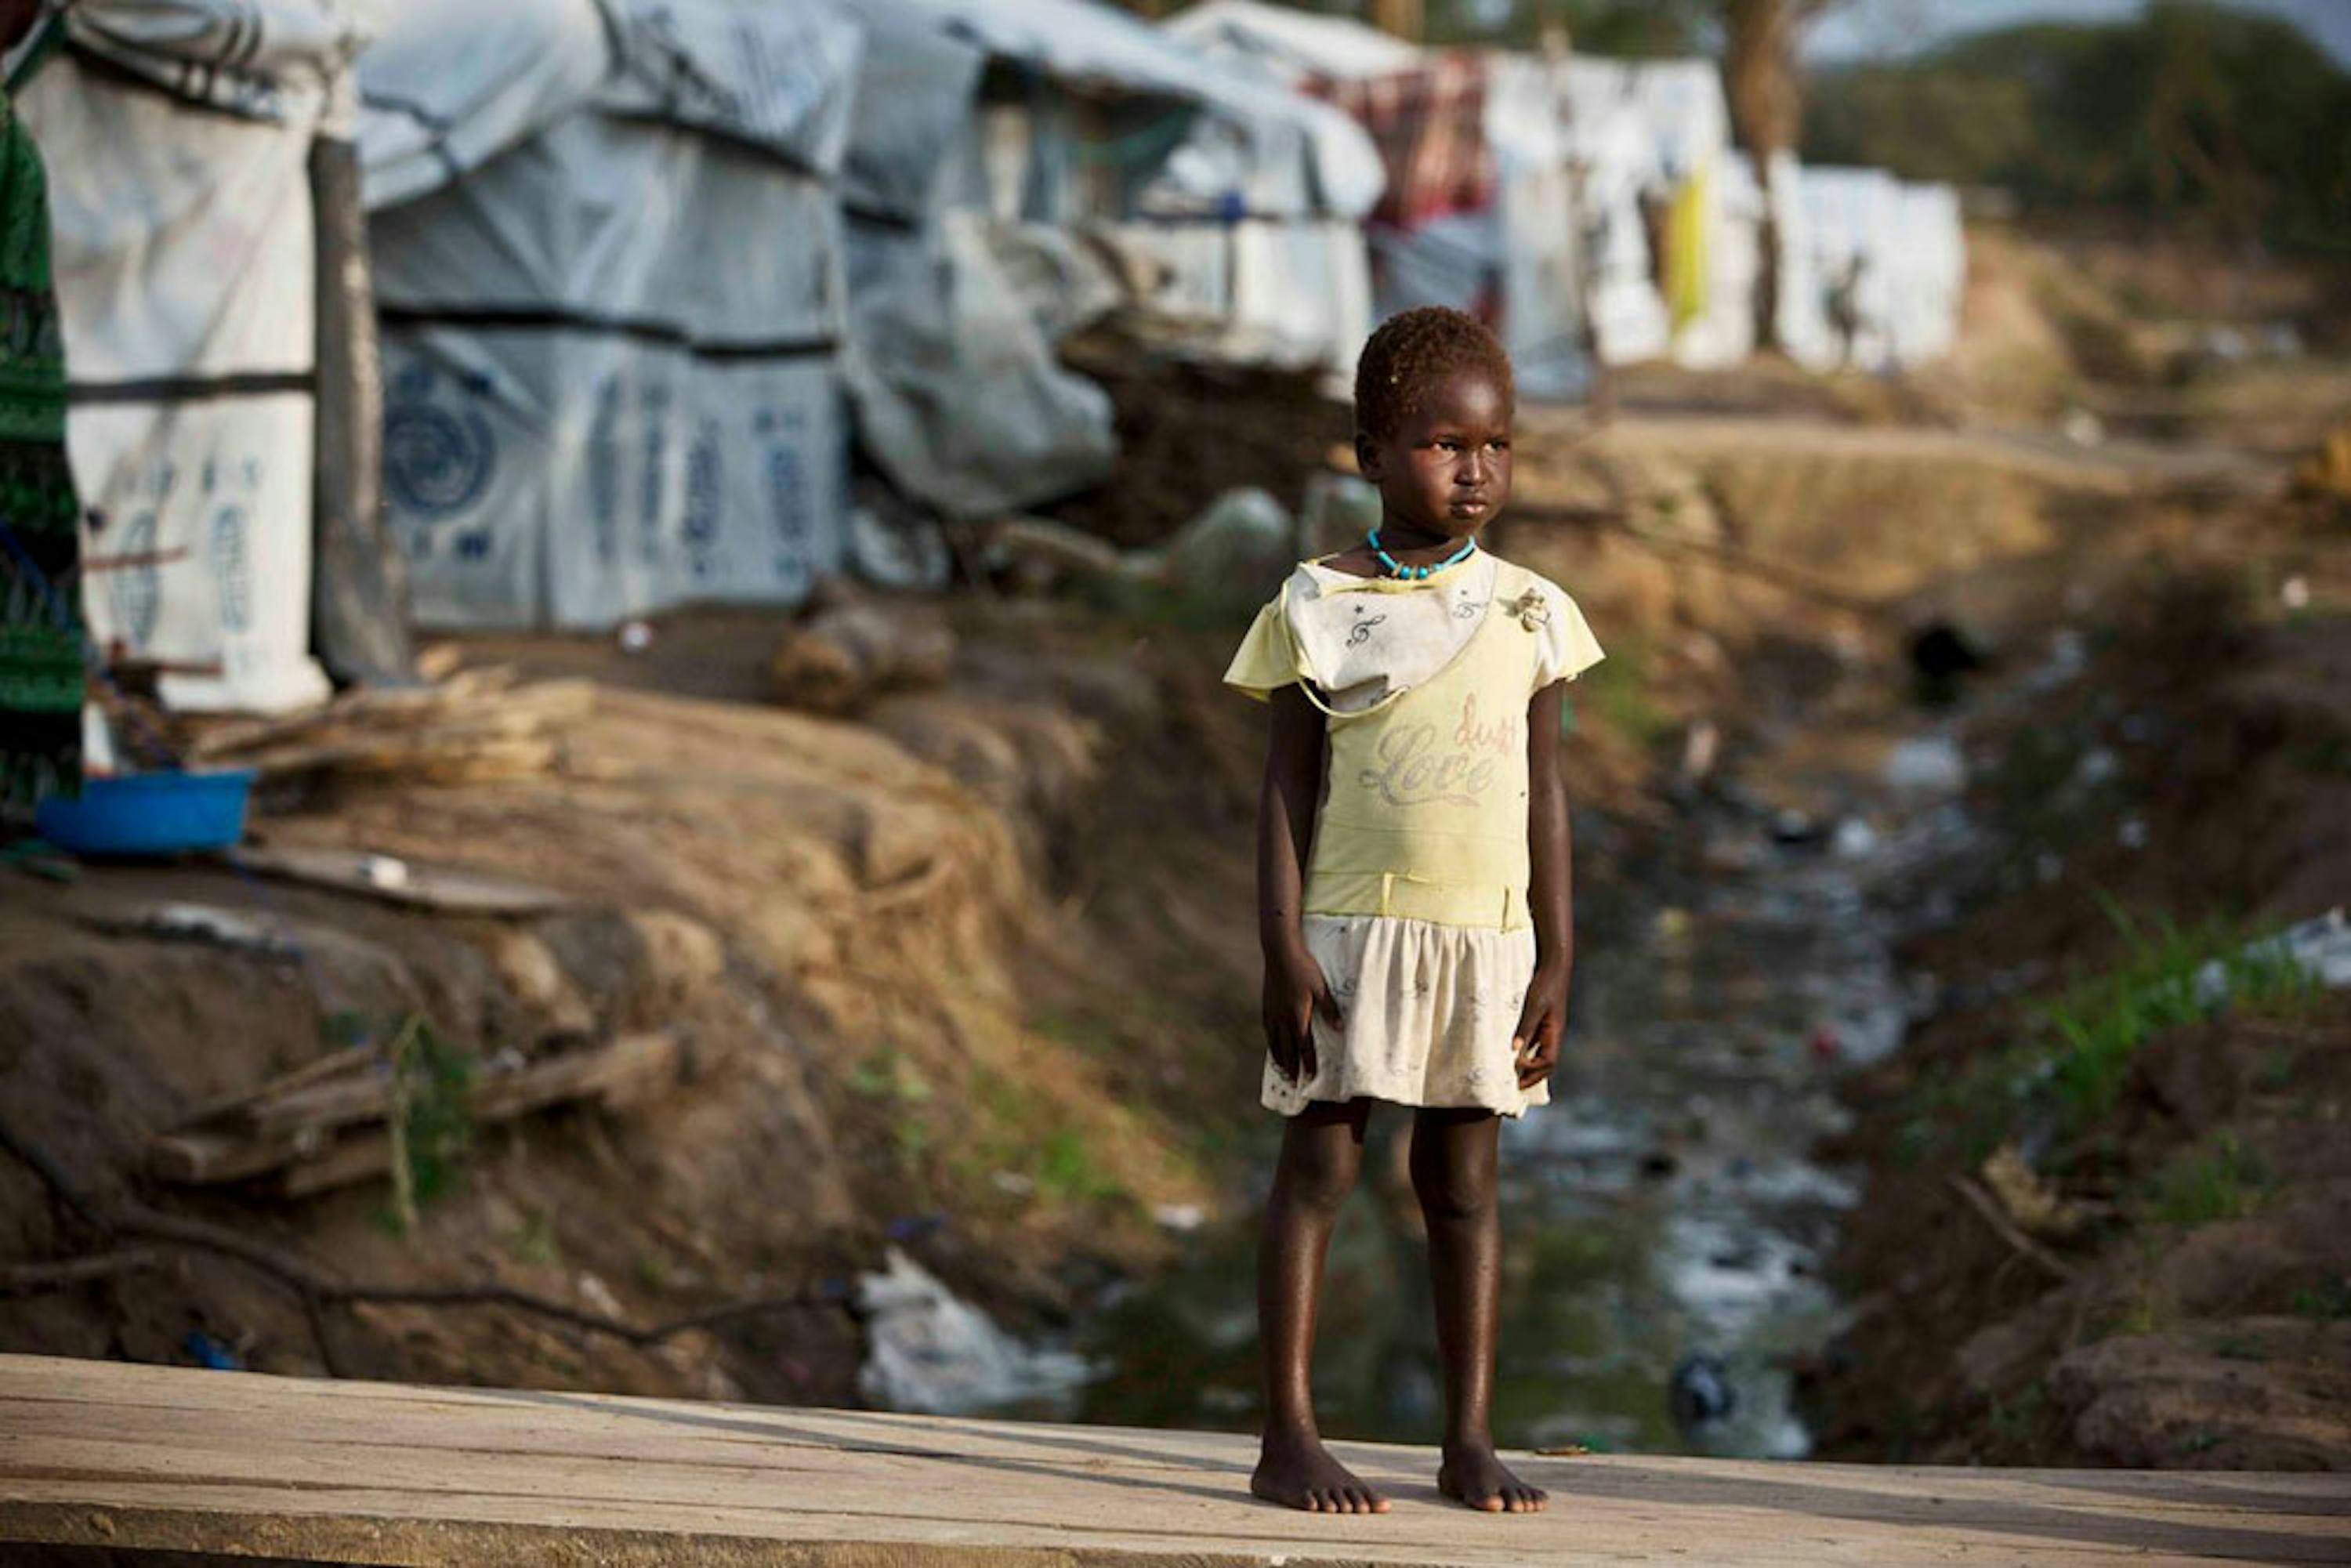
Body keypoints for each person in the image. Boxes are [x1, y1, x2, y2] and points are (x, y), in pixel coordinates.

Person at [1223, 306, 1603, 1515]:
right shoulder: (1318, 605)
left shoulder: (1531, 611)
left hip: (1486, 940)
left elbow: (1546, 794)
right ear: (1370, 454)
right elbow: (1289, 787)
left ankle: (1468, 1439)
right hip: (1349, 932)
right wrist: (1281, 945)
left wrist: (1556, 952)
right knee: (1322, 1168)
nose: (1475, 468)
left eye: (1496, 446)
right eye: (1444, 444)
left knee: (1465, 1187)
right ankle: (1288, 1433)